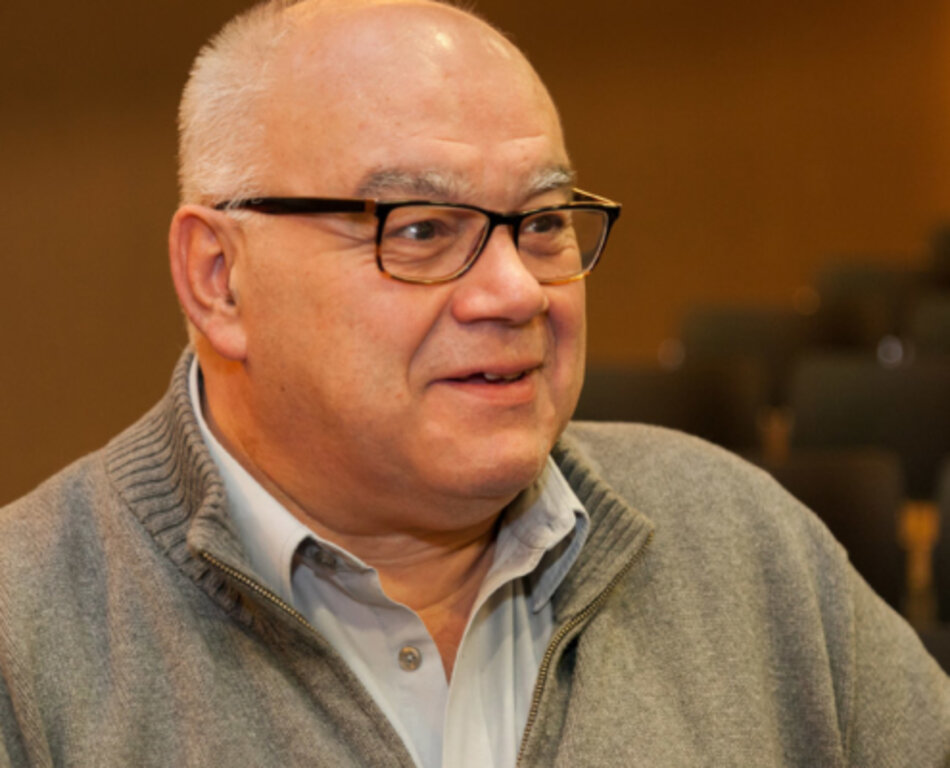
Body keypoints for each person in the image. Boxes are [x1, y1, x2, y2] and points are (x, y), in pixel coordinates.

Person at [0, 0, 947, 765]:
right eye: (420, 229)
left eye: (543, 222)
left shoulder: (746, 544)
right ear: (219, 279)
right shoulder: (26, 644)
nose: (516, 290)